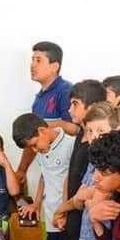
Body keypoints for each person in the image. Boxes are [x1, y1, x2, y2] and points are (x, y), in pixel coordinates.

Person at [13, 113, 75, 240]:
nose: (35, 150)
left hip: (67, 217)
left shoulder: (70, 145)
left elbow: (72, 180)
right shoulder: (42, 150)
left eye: (34, 145)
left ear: (42, 130)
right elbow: (44, 176)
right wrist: (36, 203)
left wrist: (65, 212)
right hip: (50, 217)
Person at [58, 80, 108, 240]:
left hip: (89, 230)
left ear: (93, 107)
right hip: (72, 225)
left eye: (75, 104)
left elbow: (87, 193)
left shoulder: (100, 148)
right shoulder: (80, 135)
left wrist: (65, 207)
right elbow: (70, 177)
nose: (69, 110)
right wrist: (63, 211)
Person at [16, 41, 76, 193]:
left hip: (68, 171)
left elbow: (75, 128)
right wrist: (22, 170)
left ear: (54, 66)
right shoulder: (38, 100)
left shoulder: (66, 90)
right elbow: (32, 137)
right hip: (50, 173)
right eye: (32, 60)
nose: (32, 65)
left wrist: (43, 125)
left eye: (38, 60)